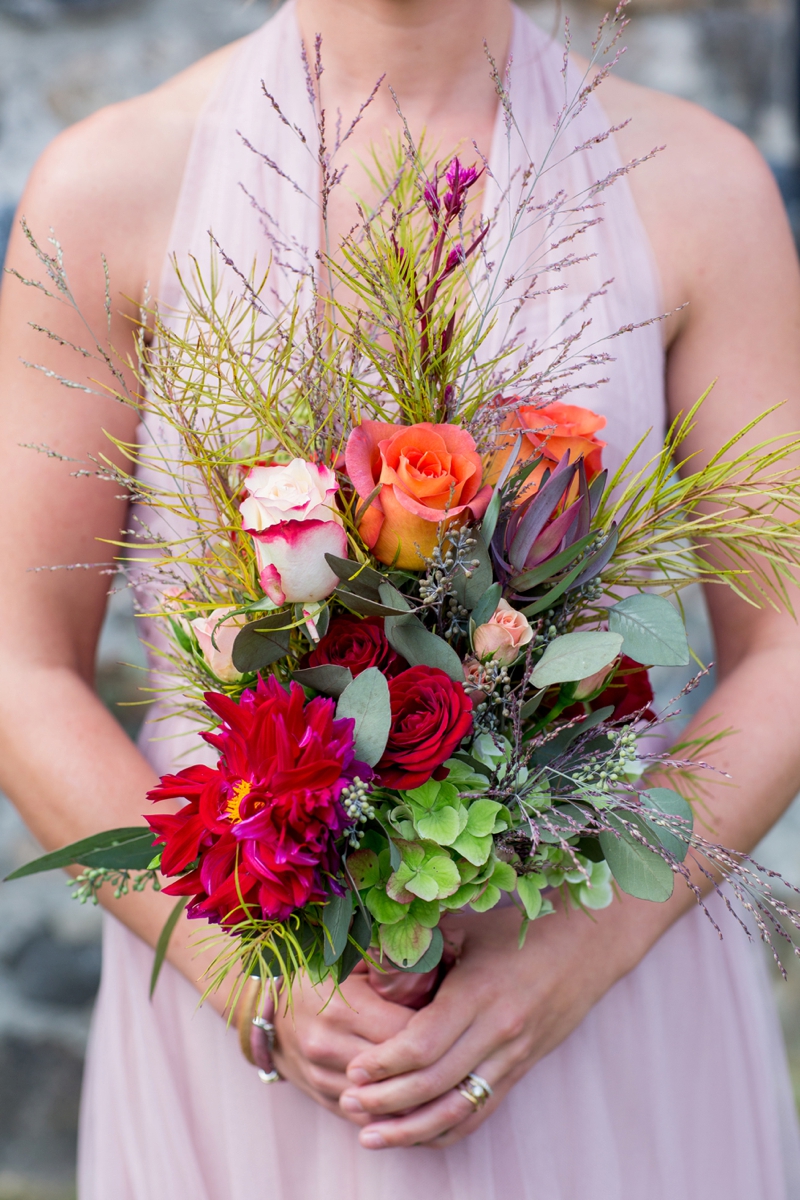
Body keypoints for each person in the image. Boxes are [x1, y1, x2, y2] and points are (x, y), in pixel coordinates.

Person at [2, 0, 800, 1196]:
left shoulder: (699, 188)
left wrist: (573, 964)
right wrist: (252, 980)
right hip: (260, 1019)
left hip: (601, 1004)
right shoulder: (111, 187)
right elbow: (20, 664)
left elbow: (786, 642)